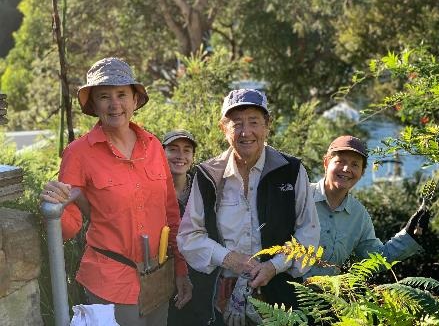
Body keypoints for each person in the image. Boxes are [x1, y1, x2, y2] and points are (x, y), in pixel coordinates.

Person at [40, 57, 192, 326]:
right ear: (94, 104)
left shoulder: (154, 146)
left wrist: (180, 269)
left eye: (122, 94)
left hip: (157, 275)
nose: (114, 104)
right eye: (104, 96)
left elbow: (171, 214)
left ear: (135, 100)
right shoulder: (78, 153)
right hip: (109, 280)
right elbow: (68, 228)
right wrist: (57, 205)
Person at [177, 88, 320, 325]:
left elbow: (309, 232)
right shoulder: (208, 175)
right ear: (224, 129)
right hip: (219, 297)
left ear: (267, 126)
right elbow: (189, 236)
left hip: (279, 296)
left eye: (254, 122)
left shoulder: (291, 171)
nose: (246, 132)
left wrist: (274, 266)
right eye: (237, 124)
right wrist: (229, 258)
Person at [305, 135, 430, 277]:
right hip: (281, 293)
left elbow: (375, 259)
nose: (346, 169)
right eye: (340, 161)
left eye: (355, 164)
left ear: (362, 172)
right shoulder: (300, 197)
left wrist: (409, 237)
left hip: (321, 298)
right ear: (326, 163)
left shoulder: (359, 215)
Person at [162, 129, 204, 326]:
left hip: (200, 276)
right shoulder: (151, 190)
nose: (180, 156)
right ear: (161, 153)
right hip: (161, 277)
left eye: (187, 150)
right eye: (173, 149)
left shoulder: (203, 189)